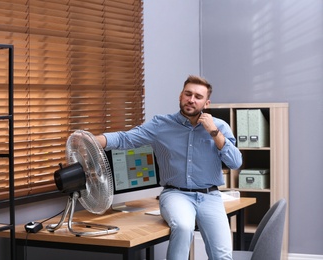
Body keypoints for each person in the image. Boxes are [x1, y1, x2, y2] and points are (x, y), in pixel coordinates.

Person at [95, 75, 242, 260]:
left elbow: (235, 162)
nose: (191, 99)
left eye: (198, 96)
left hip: (210, 196)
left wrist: (213, 131)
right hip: (176, 194)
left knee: (223, 256)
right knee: (183, 226)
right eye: (188, 94)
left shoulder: (219, 127)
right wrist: (93, 140)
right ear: (181, 96)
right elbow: (126, 138)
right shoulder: (160, 125)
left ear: (206, 103)